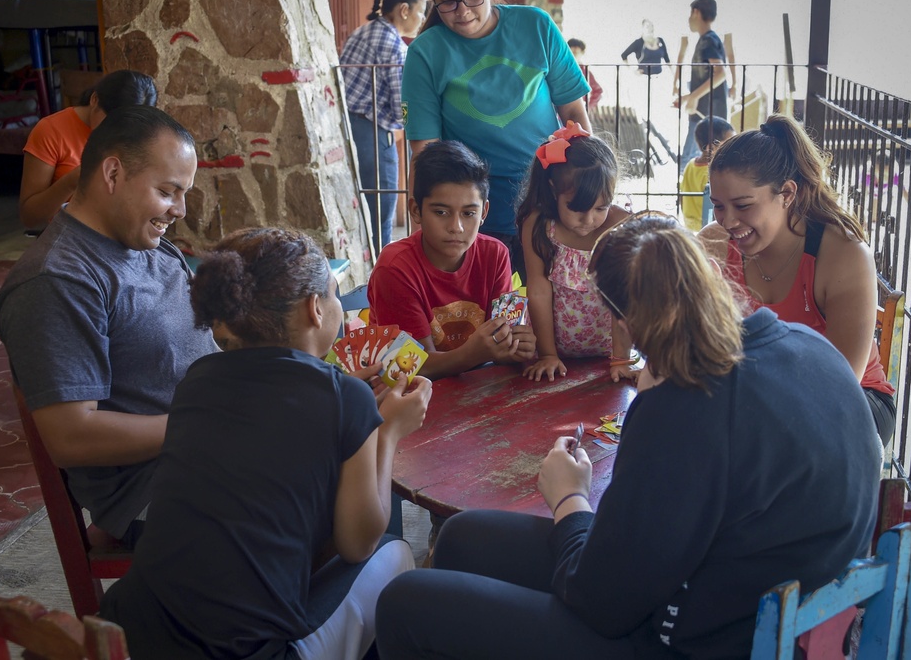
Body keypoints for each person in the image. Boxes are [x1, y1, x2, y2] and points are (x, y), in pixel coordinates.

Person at [375, 213, 883, 659]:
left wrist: (569, 498)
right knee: (464, 538)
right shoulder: (808, 347)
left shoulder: (683, 409)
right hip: (771, 611)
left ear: (623, 321)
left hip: (702, 641)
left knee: (406, 603)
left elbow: (601, 604)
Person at [99, 228, 432, 660]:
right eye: (333, 295)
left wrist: (349, 405)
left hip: (134, 636)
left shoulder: (198, 382)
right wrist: (387, 431)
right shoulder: (343, 399)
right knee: (395, 554)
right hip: (251, 653)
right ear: (316, 308)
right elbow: (358, 542)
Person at [0, 106, 218, 547]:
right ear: (112, 173)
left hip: (206, 448)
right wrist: (208, 420)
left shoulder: (148, 245)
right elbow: (72, 436)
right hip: (153, 489)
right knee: (336, 468)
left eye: (184, 193)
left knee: (344, 424)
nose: (180, 210)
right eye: (168, 191)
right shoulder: (58, 279)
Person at [701, 114, 897, 444]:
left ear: (787, 193)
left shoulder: (843, 253)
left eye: (743, 205)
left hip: (853, 401)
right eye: (718, 206)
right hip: (756, 396)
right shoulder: (715, 244)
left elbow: (841, 381)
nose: (729, 221)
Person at [402, 0, 592, 277]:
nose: (461, 11)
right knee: (491, 316)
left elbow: (574, 109)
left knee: (552, 306)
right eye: (447, 1)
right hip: (474, 215)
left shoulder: (536, 26)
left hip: (549, 196)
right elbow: (426, 151)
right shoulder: (425, 53)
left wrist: (589, 181)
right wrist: (424, 228)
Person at [368, 140, 536, 379]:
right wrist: (474, 353)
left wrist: (515, 347)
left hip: (474, 389)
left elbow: (499, 340)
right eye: (441, 212)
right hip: (407, 396)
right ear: (416, 210)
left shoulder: (495, 255)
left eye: (469, 214)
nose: (456, 227)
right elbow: (411, 368)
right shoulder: (395, 268)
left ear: (484, 213)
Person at [516, 121, 634, 382]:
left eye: (601, 208)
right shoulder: (538, 226)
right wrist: (547, 354)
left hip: (609, 351)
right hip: (552, 351)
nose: (589, 220)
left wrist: (621, 358)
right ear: (553, 189)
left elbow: (624, 295)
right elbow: (538, 289)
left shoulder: (620, 225)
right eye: (577, 208)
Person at [340, 0, 428, 254]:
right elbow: (401, 105)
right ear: (404, 10)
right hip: (371, 134)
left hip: (349, 127)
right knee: (381, 213)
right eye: (421, 12)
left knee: (363, 210)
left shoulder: (363, 31)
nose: (422, 19)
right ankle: (380, 274)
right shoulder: (393, 45)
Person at [19, 69, 157, 229]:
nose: (116, 134)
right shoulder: (51, 131)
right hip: (70, 241)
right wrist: (72, 182)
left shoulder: (139, 134)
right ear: (94, 99)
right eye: (110, 123)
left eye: (126, 127)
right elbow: (29, 217)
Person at [673, 0, 728, 173]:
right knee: (694, 161)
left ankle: (685, 198)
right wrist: (689, 97)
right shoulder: (707, 40)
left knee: (689, 162)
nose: (689, 19)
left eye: (690, 14)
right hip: (704, 112)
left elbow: (720, 73)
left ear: (696, 12)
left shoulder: (709, 41)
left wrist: (694, 97)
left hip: (706, 113)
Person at [680, 115, 734, 230]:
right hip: (708, 225)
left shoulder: (690, 164)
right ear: (711, 148)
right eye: (728, 143)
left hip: (689, 226)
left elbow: (682, 196)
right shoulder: (716, 172)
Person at [567, 38, 602, 109]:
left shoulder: (585, 72)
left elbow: (598, 91)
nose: (574, 56)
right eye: (571, 52)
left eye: (576, 53)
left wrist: (588, 107)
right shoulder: (560, 68)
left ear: (582, 53)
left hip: (577, 109)